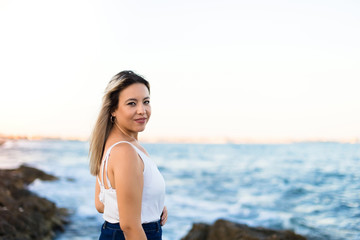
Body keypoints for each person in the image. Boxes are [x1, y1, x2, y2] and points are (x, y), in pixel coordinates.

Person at [89, 70, 167, 240]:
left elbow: (101, 204)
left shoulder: (114, 146)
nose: (142, 110)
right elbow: (130, 226)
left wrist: (153, 205)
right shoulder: (125, 151)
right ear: (113, 110)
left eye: (146, 101)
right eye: (132, 103)